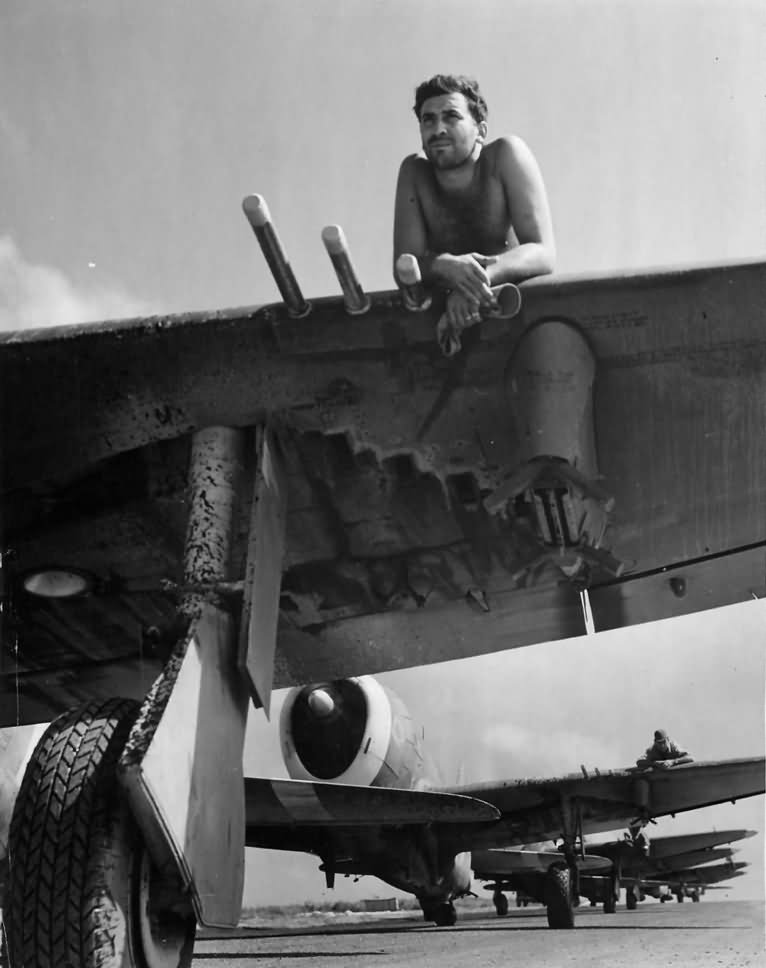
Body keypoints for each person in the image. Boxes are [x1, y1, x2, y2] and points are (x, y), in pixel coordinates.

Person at [393, 74, 555, 353]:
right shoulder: (414, 173)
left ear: (480, 130)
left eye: (451, 116)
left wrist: (473, 283)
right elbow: (405, 266)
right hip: (449, 322)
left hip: (514, 309)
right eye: (428, 120)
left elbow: (542, 251)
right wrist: (445, 265)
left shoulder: (505, 156)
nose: (438, 128)